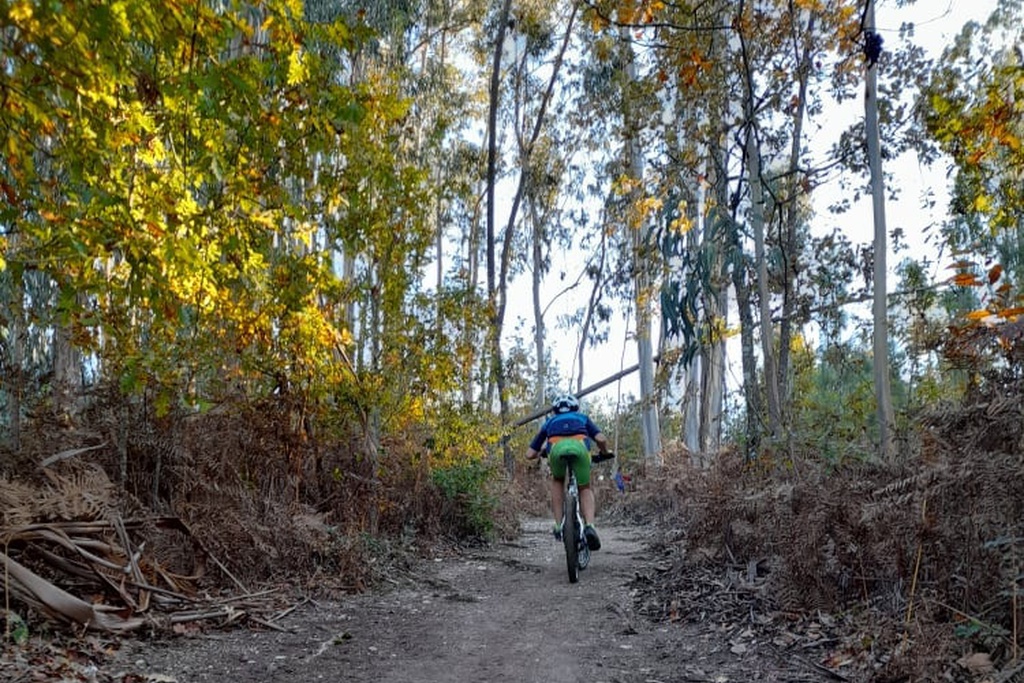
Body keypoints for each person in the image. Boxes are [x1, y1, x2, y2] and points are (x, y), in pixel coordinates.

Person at [526, 393, 611, 551]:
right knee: (584, 487)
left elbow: (529, 454)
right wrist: (605, 452)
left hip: (556, 451)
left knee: (558, 480)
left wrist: (542, 452)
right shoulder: (582, 418)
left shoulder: (549, 422)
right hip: (580, 449)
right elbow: (601, 439)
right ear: (575, 407)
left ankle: (558, 525)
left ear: (555, 410)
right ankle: (590, 526)